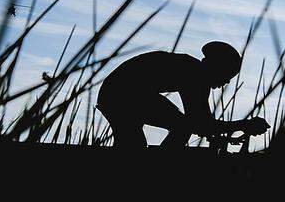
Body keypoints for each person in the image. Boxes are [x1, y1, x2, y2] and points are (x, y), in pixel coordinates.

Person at [97, 41, 269, 149]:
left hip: (118, 93)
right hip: (122, 94)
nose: (227, 83)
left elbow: (202, 123)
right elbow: (201, 124)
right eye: (226, 76)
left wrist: (230, 130)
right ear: (216, 69)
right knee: (181, 127)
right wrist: (243, 125)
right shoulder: (195, 76)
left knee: (132, 142)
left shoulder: (194, 72)